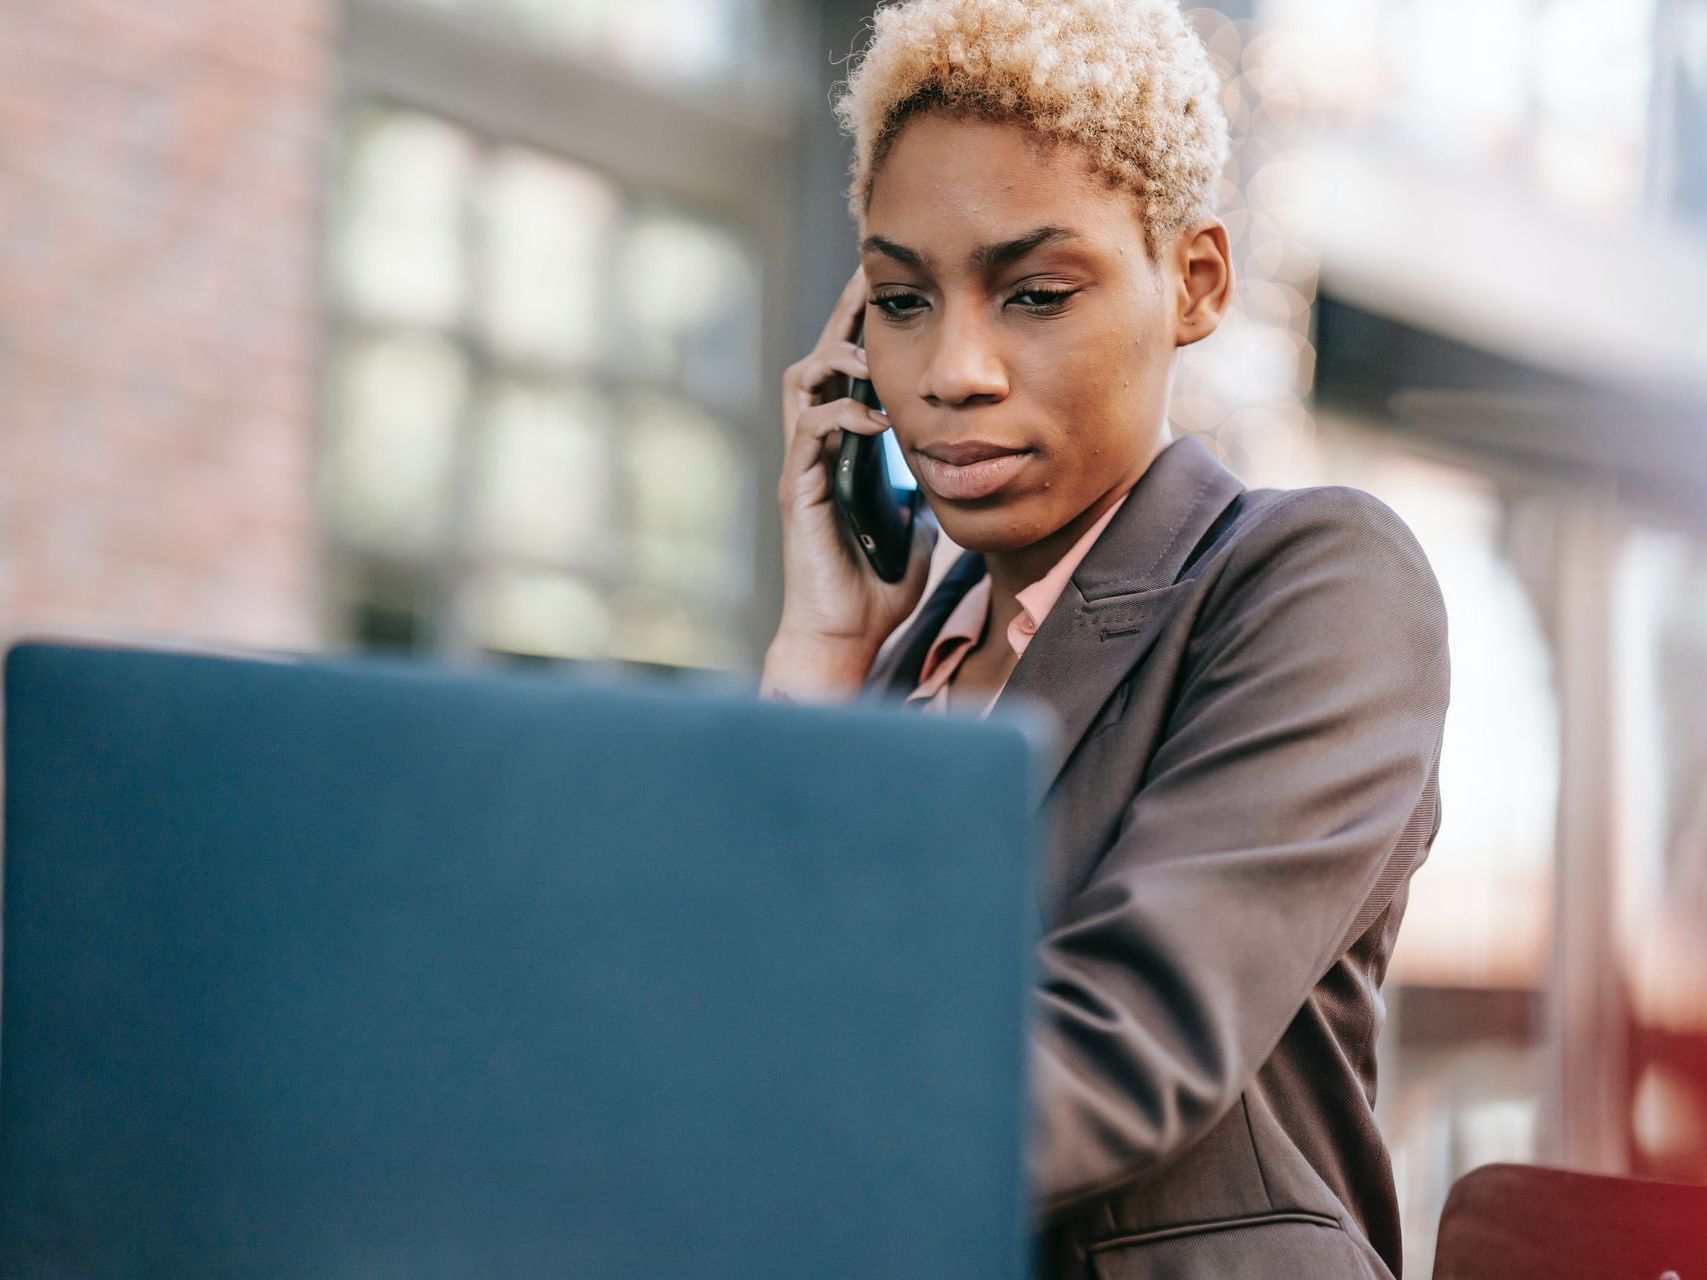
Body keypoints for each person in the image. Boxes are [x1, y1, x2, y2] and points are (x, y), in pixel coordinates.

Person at [761, 1, 1450, 1276]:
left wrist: (700, 1140)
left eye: (1033, 292)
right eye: (903, 301)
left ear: (1193, 283)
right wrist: (820, 648)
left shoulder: (1309, 581)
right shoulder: (898, 672)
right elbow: (736, 994)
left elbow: (1129, 1040)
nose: (954, 369)